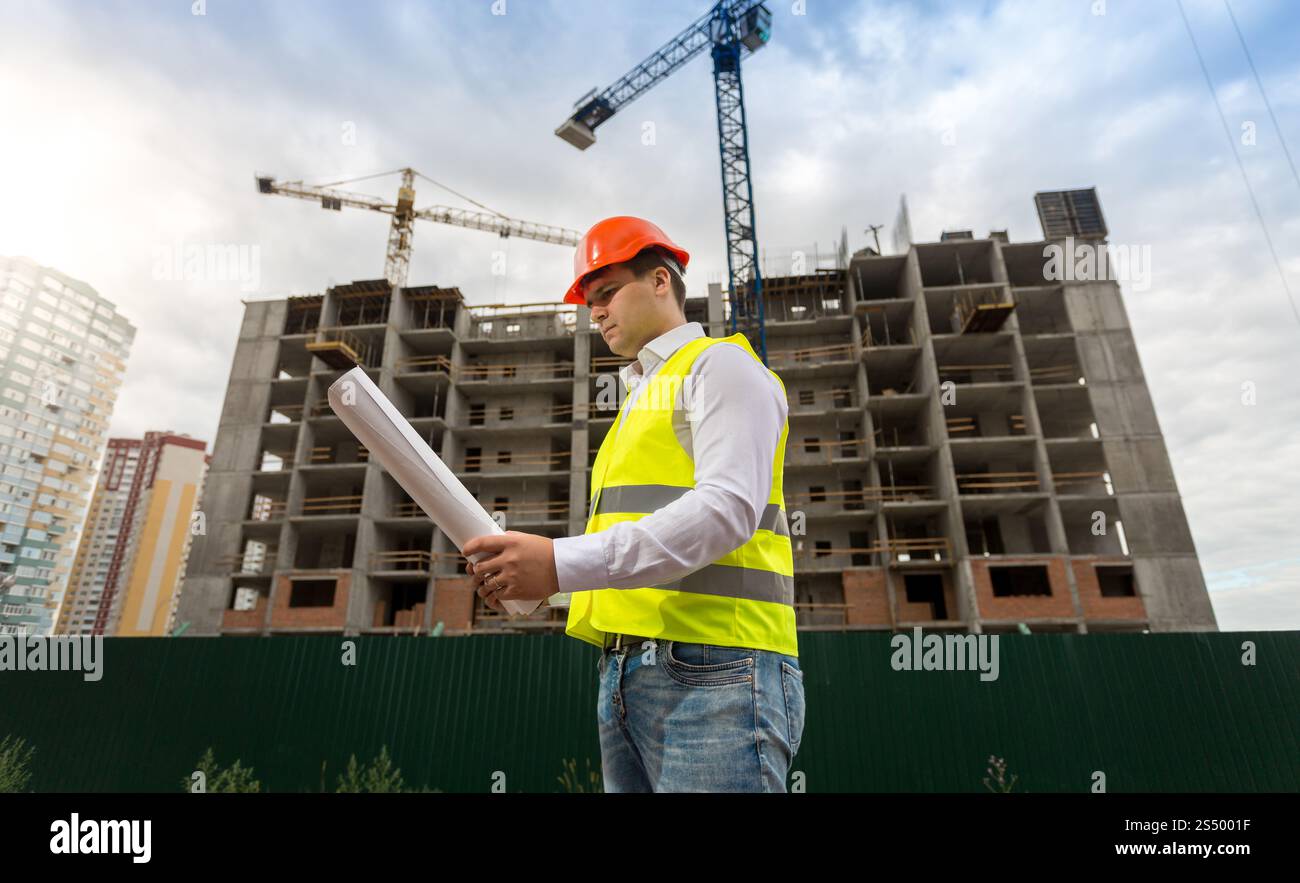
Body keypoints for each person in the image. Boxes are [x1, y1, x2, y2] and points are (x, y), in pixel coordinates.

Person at [462, 216, 804, 792]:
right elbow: (636, 554)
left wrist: (558, 561)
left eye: (607, 293)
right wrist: (544, 584)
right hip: (626, 675)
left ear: (662, 281)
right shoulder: (639, 400)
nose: (595, 311)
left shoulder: (719, 366)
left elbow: (726, 510)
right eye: (589, 302)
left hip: (715, 668)